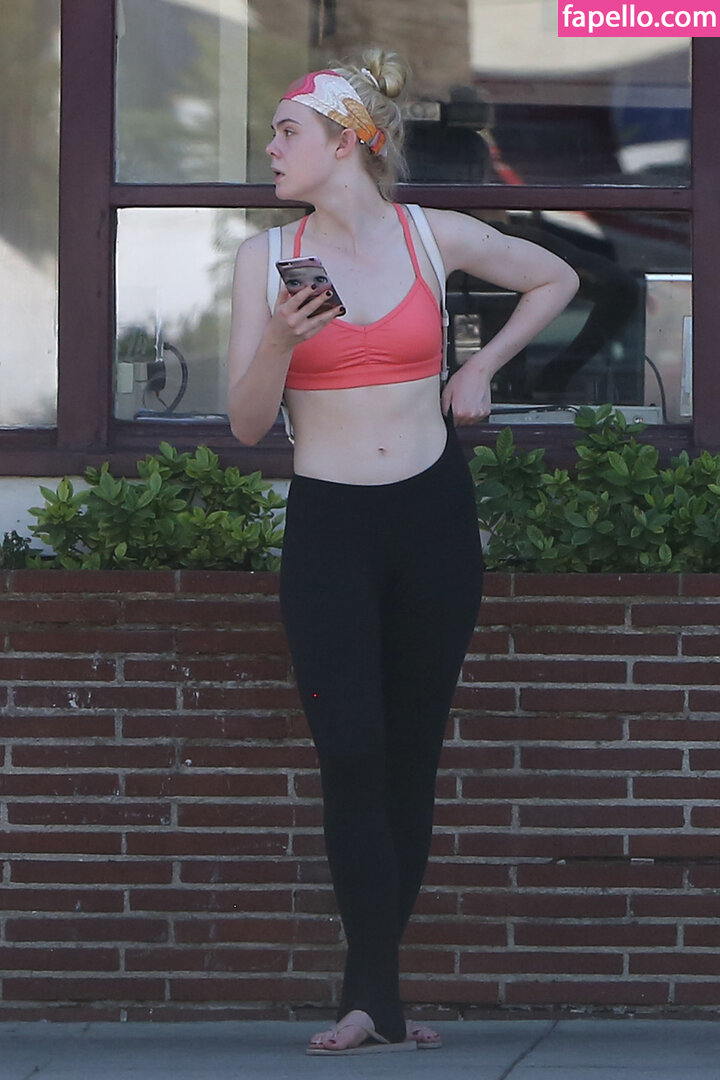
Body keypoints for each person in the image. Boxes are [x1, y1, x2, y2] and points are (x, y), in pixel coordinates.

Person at [227, 50, 579, 1056]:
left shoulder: (433, 236)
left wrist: (481, 369)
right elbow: (247, 424)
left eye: (287, 131)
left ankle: (372, 997)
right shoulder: (268, 258)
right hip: (330, 528)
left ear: (347, 142)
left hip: (432, 520)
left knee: (411, 756)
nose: (270, 147)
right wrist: (281, 341)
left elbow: (555, 276)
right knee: (352, 755)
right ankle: (371, 995)